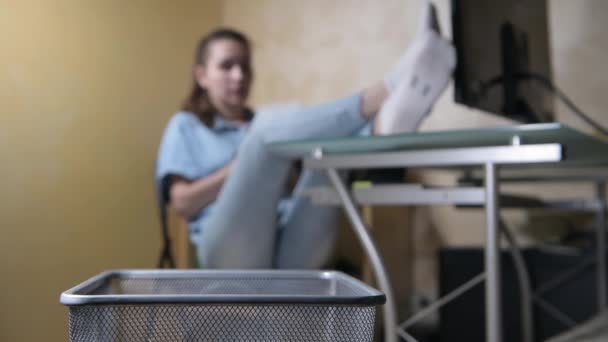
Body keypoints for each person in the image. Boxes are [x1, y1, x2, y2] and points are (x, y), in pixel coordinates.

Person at [156, 2, 455, 269]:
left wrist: (283, 173)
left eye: (245, 67)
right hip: (229, 252)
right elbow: (182, 202)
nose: (239, 76)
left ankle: (389, 124)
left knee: (325, 154)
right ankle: (390, 88)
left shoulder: (261, 120)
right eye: (227, 66)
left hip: (291, 243)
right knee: (264, 138)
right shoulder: (187, 125)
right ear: (201, 75)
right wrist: (242, 168)